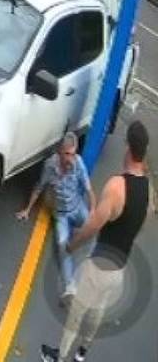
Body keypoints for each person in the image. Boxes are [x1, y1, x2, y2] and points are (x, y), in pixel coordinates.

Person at [40, 121, 150, 362]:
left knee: (76, 314)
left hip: (99, 266)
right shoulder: (149, 188)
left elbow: (93, 225)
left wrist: (72, 245)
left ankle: (59, 356)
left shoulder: (117, 186)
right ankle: (82, 352)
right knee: (98, 311)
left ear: (128, 148)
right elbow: (142, 222)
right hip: (120, 267)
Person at [16, 132, 95, 303]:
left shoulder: (78, 163)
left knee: (93, 230)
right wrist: (27, 210)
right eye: (67, 154)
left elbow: (88, 188)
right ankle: (69, 286)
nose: (70, 158)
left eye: (73, 154)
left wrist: (93, 211)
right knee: (62, 245)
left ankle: (92, 264)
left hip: (78, 207)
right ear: (60, 152)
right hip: (61, 215)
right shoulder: (49, 166)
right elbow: (39, 186)